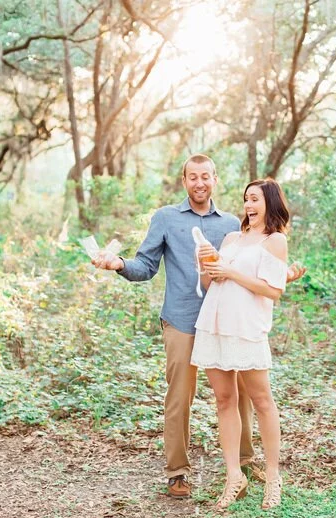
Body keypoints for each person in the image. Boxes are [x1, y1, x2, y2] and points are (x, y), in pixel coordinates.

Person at [91, 154, 305, 499]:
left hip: (230, 321)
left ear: (215, 179)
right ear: (184, 180)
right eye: (193, 177)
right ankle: (177, 472)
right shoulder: (166, 218)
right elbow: (145, 265)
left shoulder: (233, 226)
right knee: (180, 396)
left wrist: (283, 276)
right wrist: (119, 263)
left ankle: (245, 464)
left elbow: (255, 272)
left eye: (206, 176)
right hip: (183, 318)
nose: (200, 183)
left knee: (240, 397)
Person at [191, 178, 289, 510]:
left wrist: (230, 271)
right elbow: (210, 282)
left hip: (246, 328)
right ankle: (235, 476)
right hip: (215, 323)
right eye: (247, 199)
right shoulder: (232, 237)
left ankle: (273, 477)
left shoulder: (274, 241)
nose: (249, 205)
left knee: (262, 400)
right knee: (224, 399)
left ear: (270, 203)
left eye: (256, 199)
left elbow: (273, 290)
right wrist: (208, 264)